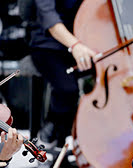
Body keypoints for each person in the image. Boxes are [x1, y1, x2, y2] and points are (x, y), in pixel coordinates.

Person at [28, 0, 96, 147]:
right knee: (68, 89)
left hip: (86, 41)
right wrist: (75, 45)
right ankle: (50, 134)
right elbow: (49, 17)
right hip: (48, 45)